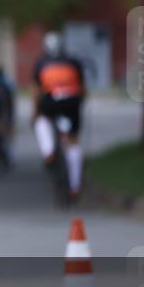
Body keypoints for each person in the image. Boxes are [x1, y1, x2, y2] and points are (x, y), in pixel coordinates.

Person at [32, 31, 86, 199]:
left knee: (41, 120)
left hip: (50, 101)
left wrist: (35, 112)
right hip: (72, 102)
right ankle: (75, 186)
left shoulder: (41, 62)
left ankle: (48, 151)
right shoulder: (73, 62)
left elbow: (37, 90)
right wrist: (79, 106)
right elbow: (83, 88)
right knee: (73, 141)